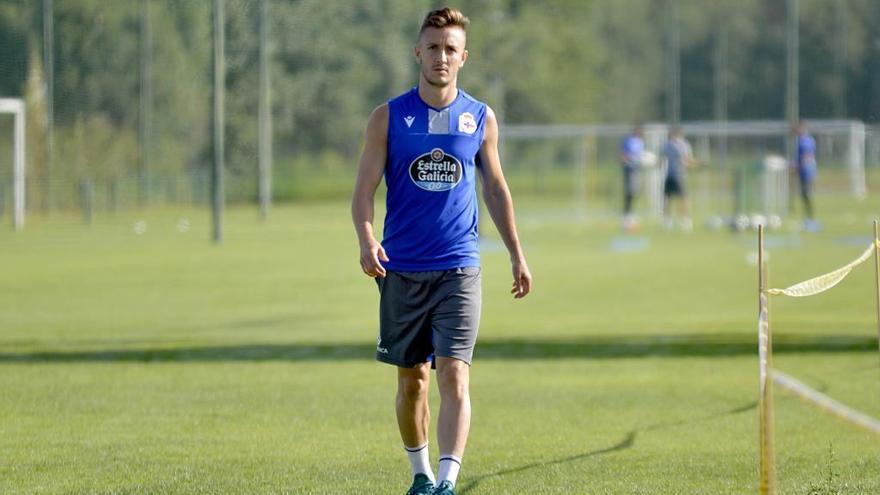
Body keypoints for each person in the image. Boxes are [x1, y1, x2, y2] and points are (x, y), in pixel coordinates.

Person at [351, 8, 532, 495]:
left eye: (451, 49)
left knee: (454, 373)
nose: (442, 57)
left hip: (459, 267)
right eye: (433, 47)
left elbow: (495, 188)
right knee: (413, 384)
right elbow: (364, 189)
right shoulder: (387, 117)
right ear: (418, 53)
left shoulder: (480, 117)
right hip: (401, 269)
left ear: (464, 57)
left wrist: (516, 251)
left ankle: (448, 482)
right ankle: (421, 475)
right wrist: (367, 238)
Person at [660, 127, 695, 231]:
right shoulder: (681, 145)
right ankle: (684, 221)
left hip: (673, 176)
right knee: (681, 199)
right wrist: (693, 164)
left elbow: (661, 160)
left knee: (672, 199)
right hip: (677, 176)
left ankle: (671, 222)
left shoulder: (669, 145)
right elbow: (687, 161)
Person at [620, 125, 645, 231]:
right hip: (629, 170)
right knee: (629, 193)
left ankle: (630, 216)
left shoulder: (641, 142)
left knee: (635, 193)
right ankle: (626, 218)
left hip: (636, 170)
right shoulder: (628, 141)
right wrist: (627, 160)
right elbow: (623, 156)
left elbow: (640, 156)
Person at [793, 122, 818, 230]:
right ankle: (808, 218)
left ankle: (810, 219)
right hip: (806, 172)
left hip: (806, 172)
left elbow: (806, 156)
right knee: (804, 196)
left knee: (806, 195)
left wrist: (797, 167)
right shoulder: (807, 140)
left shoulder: (804, 141)